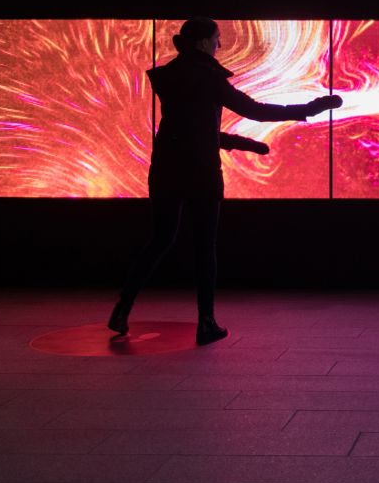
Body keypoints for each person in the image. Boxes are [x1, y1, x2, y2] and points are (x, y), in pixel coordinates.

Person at [108, 18, 341, 344]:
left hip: (165, 168)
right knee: (205, 247)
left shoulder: (171, 76)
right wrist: (309, 108)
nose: (220, 45)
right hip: (201, 172)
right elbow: (254, 111)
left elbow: (191, 130)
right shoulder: (209, 77)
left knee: (160, 240)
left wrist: (243, 144)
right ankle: (206, 322)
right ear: (203, 42)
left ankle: (121, 310)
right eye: (217, 39)